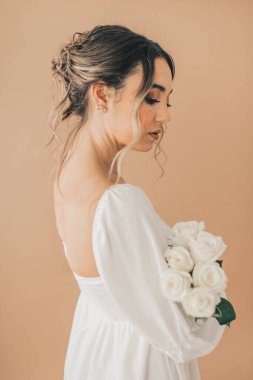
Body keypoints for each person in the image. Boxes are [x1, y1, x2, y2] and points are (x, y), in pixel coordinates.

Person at [48, 24, 226, 380]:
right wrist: (210, 289)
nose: (165, 115)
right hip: (138, 365)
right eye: (151, 98)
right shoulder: (118, 202)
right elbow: (181, 337)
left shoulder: (67, 176)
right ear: (102, 95)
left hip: (98, 352)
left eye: (167, 100)